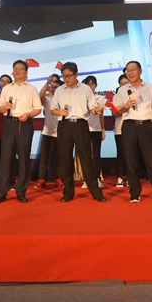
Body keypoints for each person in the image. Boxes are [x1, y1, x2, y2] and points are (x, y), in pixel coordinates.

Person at [113, 61, 152, 203]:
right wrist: (127, 105)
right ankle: (135, 193)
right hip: (129, 126)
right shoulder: (122, 90)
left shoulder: (150, 87)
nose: (130, 73)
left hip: (146, 126)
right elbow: (116, 112)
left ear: (140, 71)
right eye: (128, 70)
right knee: (130, 160)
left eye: (133, 70)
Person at [50, 62, 106, 202]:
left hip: (81, 125)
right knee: (65, 159)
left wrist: (97, 110)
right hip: (64, 125)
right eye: (64, 76)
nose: (66, 79)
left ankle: (96, 193)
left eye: (69, 76)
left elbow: (92, 108)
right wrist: (60, 112)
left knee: (86, 159)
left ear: (76, 74)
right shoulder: (59, 90)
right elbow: (52, 109)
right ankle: (68, 193)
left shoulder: (85, 89)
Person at [0, 60, 42, 203]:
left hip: (25, 124)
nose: (18, 71)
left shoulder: (31, 89)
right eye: (15, 69)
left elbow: (38, 109)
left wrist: (28, 114)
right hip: (9, 123)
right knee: (5, 159)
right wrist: (6, 107)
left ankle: (21, 192)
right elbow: (0, 109)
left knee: (24, 159)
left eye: (21, 69)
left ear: (26, 72)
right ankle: (2, 192)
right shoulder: (7, 89)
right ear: (12, 72)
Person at [35, 75, 62, 189]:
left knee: (60, 157)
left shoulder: (65, 102)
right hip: (47, 132)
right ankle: (42, 179)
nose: (53, 89)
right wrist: (47, 83)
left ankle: (59, 179)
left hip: (61, 133)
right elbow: (40, 96)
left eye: (56, 87)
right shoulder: (48, 100)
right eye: (52, 87)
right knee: (44, 157)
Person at [80, 75, 105, 189]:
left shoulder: (99, 98)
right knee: (86, 155)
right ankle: (87, 179)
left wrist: (103, 129)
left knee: (96, 154)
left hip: (96, 129)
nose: (90, 86)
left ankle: (97, 178)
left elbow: (101, 116)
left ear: (96, 85)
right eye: (87, 84)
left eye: (92, 84)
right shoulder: (82, 98)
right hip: (84, 128)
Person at [113, 74, 129, 187]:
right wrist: (125, 107)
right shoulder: (117, 96)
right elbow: (115, 113)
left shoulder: (133, 95)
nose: (124, 85)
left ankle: (130, 177)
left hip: (132, 129)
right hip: (119, 129)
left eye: (126, 83)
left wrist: (122, 109)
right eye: (122, 84)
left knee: (131, 155)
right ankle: (119, 177)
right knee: (121, 154)